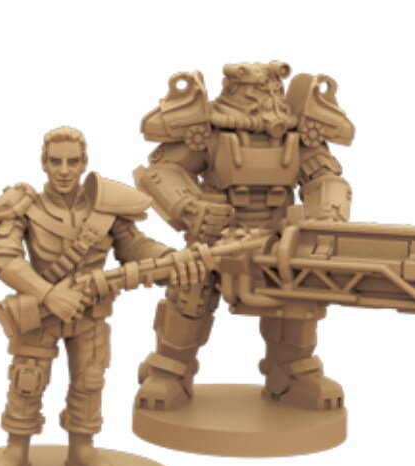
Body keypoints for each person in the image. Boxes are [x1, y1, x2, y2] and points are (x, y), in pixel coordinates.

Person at [133, 62, 354, 411]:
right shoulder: (209, 133)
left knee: (299, 296)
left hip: (280, 240)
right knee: (191, 291)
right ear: (232, 90)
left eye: (270, 89)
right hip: (216, 238)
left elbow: (325, 178)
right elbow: (163, 171)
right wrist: (190, 208)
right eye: (253, 90)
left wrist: (328, 214)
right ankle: (170, 370)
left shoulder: (298, 137)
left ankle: (292, 373)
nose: (263, 98)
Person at [0, 127, 194, 466]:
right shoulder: (25, 205)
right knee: (27, 379)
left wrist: (170, 257)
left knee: (90, 380)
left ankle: (82, 447)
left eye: (72, 162)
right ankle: (17, 447)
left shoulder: (108, 205)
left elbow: (134, 246)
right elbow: (3, 256)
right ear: (44, 163)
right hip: (41, 312)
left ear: (84, 163)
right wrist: (48, 294)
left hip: (90, 312)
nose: (64, 170)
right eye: (56, 162)